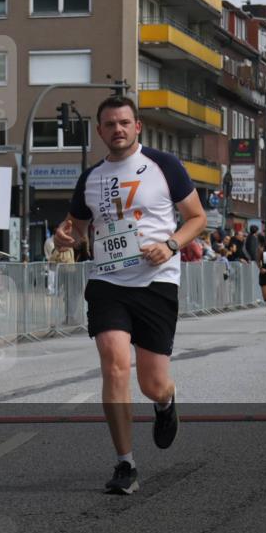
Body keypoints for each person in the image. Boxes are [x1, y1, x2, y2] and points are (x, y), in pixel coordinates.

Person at [53, 96, 206, 495]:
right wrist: (64, 235)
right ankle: (125, 463)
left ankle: (166, 401)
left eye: (124, 122)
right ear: (100, 131)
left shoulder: (164, 166)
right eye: (109, 124)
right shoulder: (90, 178)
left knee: (152, 383)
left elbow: (197, 218)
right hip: (108, 281)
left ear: (137, 126)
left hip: (156, 280)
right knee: (114, 364)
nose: (117, 129)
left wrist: (171, 245)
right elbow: (76, 229)